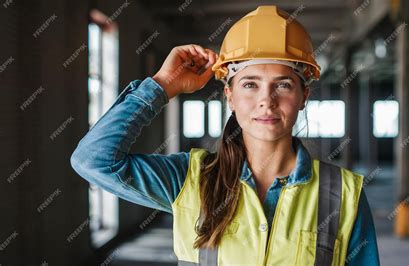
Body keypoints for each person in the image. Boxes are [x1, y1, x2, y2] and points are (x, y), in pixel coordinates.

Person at [70, 5, 380, 266]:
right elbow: (92, 160)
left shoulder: (344, 195)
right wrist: (162, 85)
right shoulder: (189, 179)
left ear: (303, 96)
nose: (266, 100)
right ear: (229, 95)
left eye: (283, 84)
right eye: (250, 84)